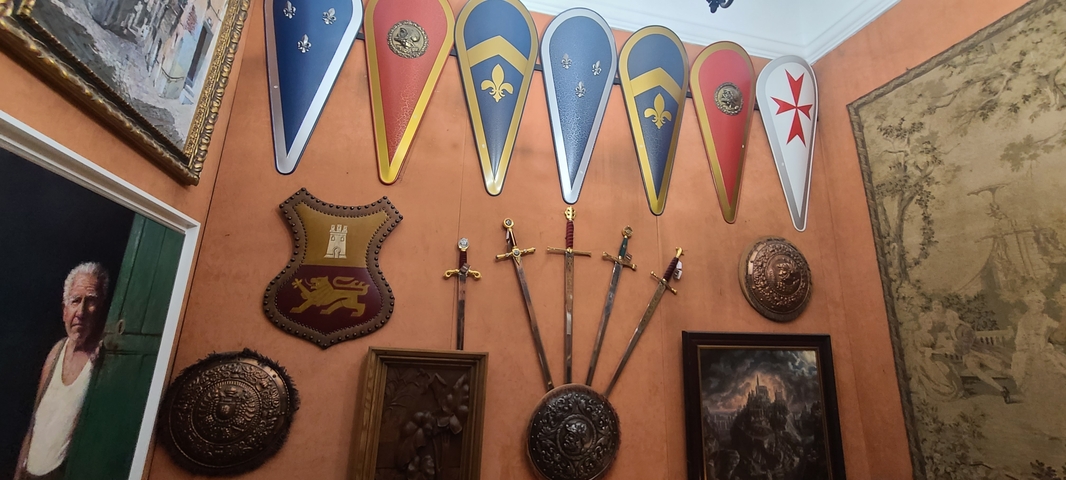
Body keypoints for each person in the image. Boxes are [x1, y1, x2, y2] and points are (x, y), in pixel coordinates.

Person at [14, 263, 110, 480]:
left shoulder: (105, 357)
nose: (81, 312)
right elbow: (34, 423)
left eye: (91, 300)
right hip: (30, 474)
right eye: (75, 301)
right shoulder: (56, 352)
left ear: (102, 307)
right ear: (65, 309)